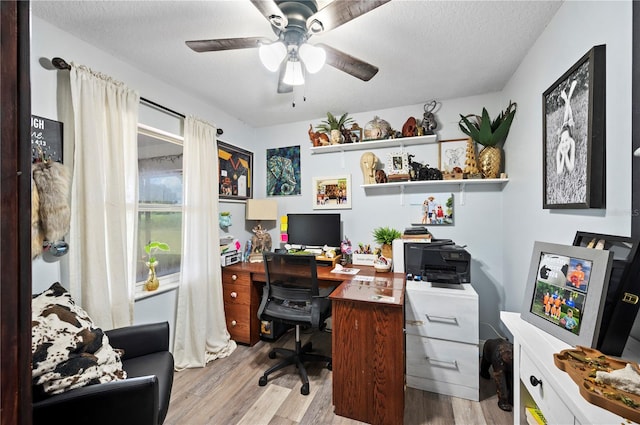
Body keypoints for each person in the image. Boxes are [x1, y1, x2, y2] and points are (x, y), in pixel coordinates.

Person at [556, 80, 577, 174]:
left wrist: (566, 156)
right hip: (567, 128)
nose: (564, 143)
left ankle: (566, 98)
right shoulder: (560, 147)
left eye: (565, 140)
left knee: (567, 116)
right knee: (569, 116)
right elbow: (559, 171)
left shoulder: (571, 142)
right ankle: (566, 98)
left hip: (565, 128)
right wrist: (563, 155)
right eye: (563, 141)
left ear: (569, 139)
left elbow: (570, 168)